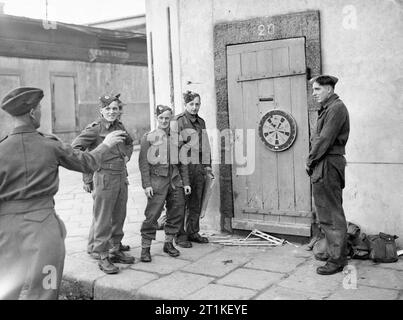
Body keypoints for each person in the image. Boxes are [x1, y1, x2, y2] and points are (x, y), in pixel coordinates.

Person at [0, 87, 126, 299]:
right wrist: (105, 145)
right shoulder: (50, 145)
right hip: (43, 228)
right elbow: (88, 162)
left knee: (7, 288)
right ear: (32, 113)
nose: (40, 113)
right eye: (39, 109)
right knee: (46, 289)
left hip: (6, 231)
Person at [71, 93, 135, 274]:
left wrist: (127, 155)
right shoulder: (94, 129)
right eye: (108, 109)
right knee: (103, 218)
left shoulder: (120, 126)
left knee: (119, 215)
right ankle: (102, 255)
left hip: (121, 176)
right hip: (104, 177)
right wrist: (87, 176)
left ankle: (115, 249)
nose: (112, 112)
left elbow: (129, 143)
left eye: (115, 108)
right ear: (101, 110)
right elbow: (76, 150)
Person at [306, 75, 350, 275]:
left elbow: (324, 140)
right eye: (314, 89)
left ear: (329, 89)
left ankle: (337, 260)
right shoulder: (328, 108)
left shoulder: (336, 108)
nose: (314, 93)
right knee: (326, 212)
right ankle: (333, 252)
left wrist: (310, 160)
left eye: (317, 89)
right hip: (324, 163)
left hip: (328, 164)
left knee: (331, 214)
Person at [139, 105, 191, 262]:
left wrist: (186, 182)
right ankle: (145, 249)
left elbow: (183, 163)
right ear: (156, 118)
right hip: (157, 181)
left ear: (171, 118)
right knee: (152, 215)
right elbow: (143, 164)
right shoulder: (148, 138)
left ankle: (168, 243)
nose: (164, 121)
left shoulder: (177, 138)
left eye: (167, 118)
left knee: (176, 212)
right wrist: (147, 185)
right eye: (161, 118)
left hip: (175, 181)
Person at [173, 91, 213, 248]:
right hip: (184, 166)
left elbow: (205, 144)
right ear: (185, 105)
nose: (195, 107)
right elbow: (174, 148)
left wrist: (208, 164)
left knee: (196, 200)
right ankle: (180, 235)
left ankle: (193, 232)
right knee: (181, 202)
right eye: (191, 104)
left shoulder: (201, 122)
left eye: (197, 104)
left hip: (198, 167)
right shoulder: (178, 121)